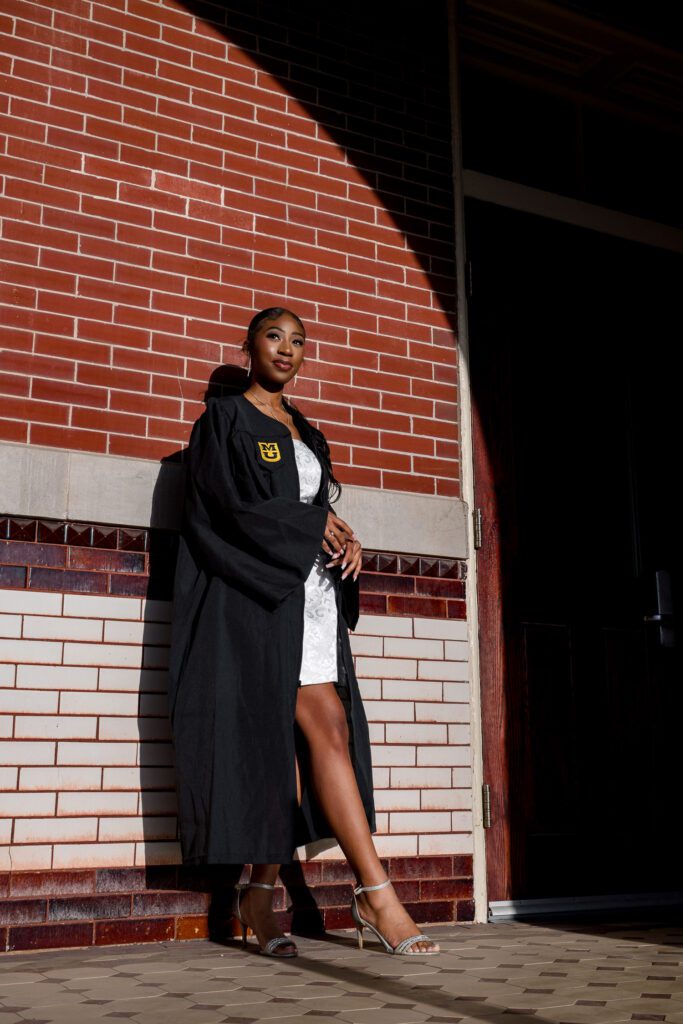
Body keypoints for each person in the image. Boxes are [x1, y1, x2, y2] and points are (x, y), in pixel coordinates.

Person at [168, 306, 439, 957]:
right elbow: (227, 508)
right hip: (260, 601)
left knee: (306, 741)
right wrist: (302, 526)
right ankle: (376, 895)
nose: (286, 349)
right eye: (273, 336)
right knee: (315, 728)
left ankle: (259, 896)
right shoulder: (225, 422)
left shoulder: (305, 430)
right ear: (249, 346)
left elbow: (309, 510)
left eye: (298, 342)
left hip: (312, 600)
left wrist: (341, 536)